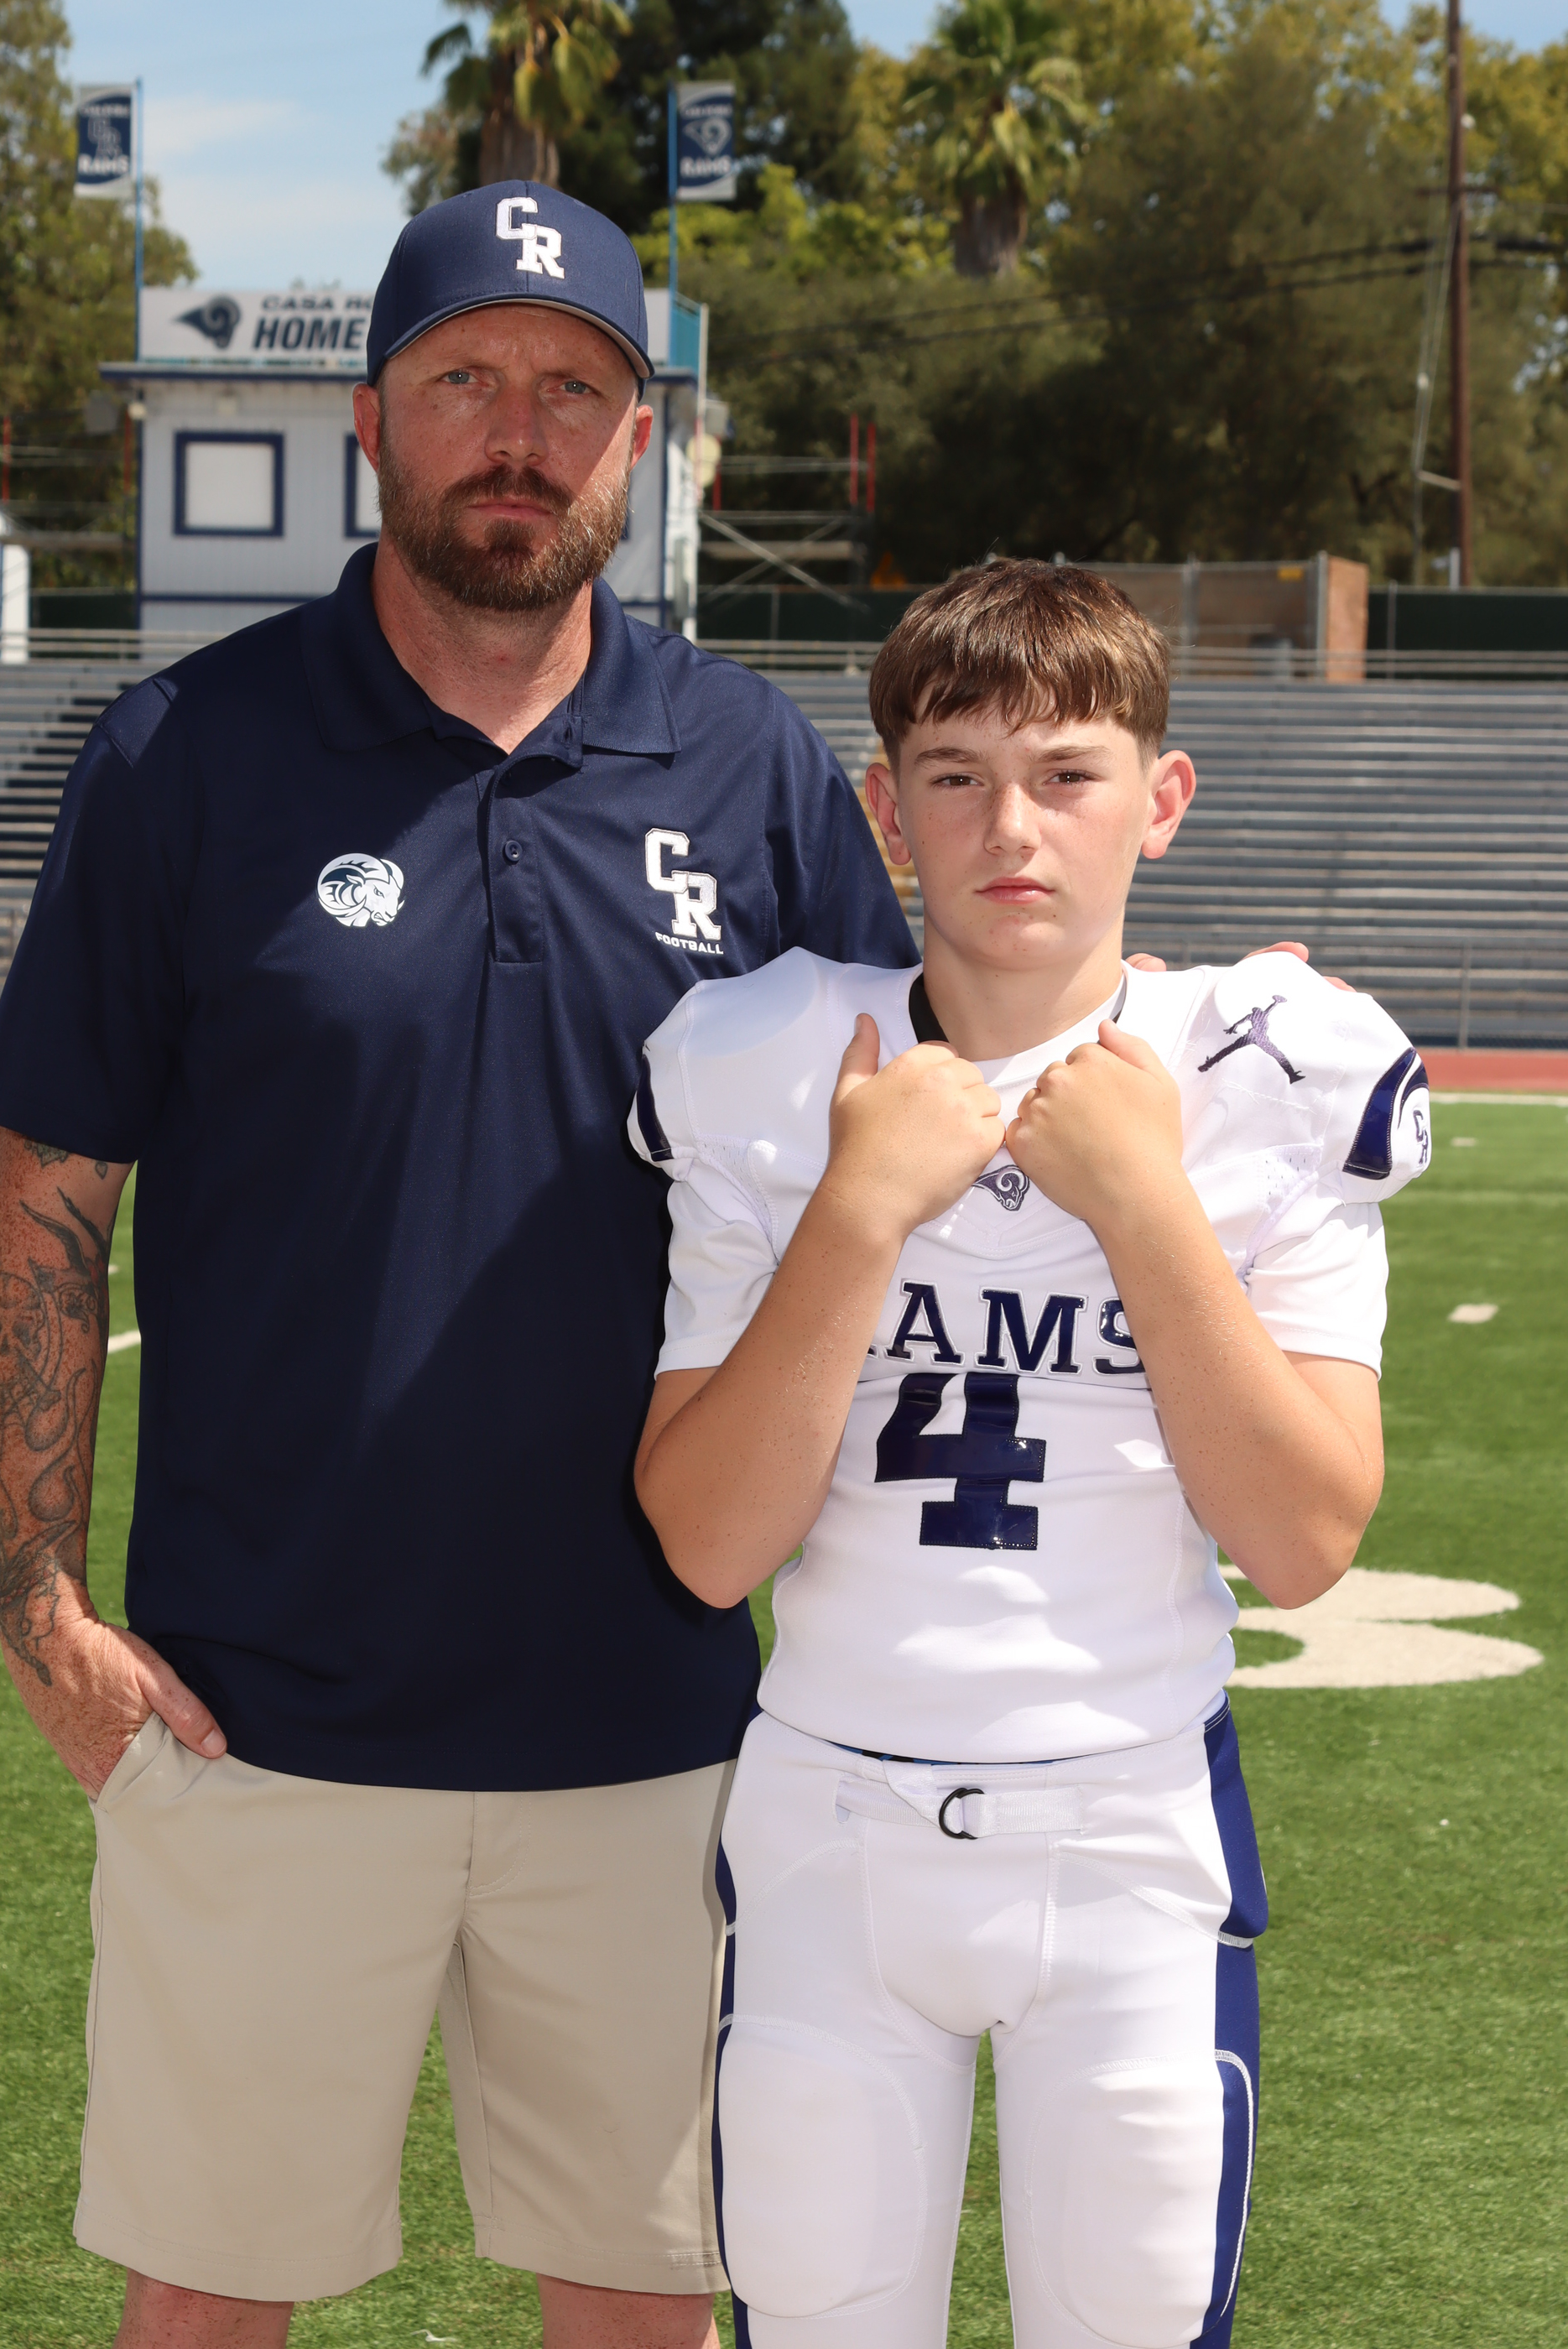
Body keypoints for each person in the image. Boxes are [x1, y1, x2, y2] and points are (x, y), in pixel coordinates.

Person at [0, 181, 917, 2349]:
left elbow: (918, 1131)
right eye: (467, 377)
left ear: (639, 444)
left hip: (655, 1721)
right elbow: (51, 1195)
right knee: (208, 2302)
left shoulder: (753, 769)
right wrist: (37, 1594)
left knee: (647, 2306)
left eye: (573, 390)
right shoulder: (186, 755)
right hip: (257, 1717)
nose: (519, 431)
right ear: (371, 421)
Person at [630, 562, 1431, 2349]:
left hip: (1133, 1822)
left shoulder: (1270, 1071)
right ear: (886, 805)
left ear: (1161, 796)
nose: (1011, 826)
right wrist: (859, 1207)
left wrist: (1145, 1205)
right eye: (957, 774)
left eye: (1067, 774)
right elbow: (707, 1544)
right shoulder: (770, 1063)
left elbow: (1303, 1539)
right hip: (831, 1827)